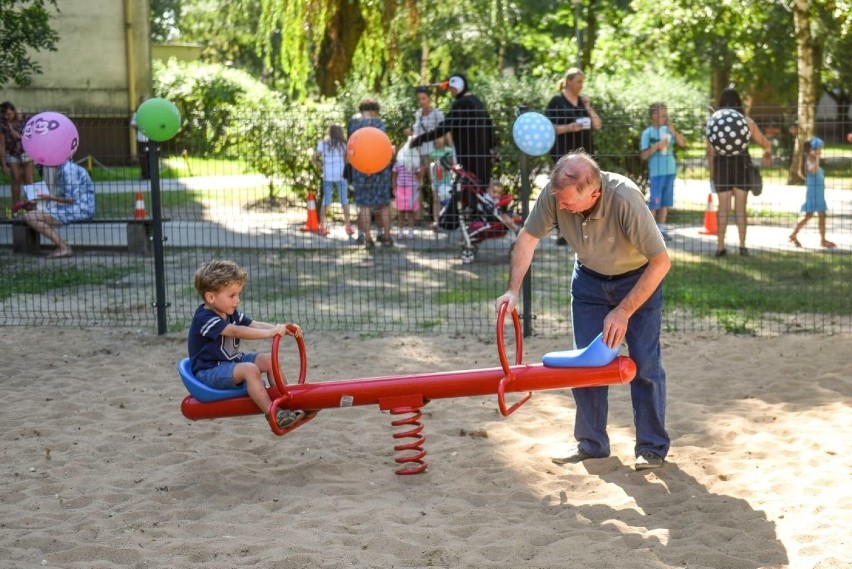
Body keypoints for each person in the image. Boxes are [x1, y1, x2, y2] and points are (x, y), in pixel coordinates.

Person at [495, 151, 671, 471]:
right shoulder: (555, 194)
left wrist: (623, 310)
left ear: (594, 193)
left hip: (637, 281)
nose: (560, 207)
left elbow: (661, 263)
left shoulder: (625, 199)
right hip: (589, 282)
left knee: (645, 364)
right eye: (558, 200)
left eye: (567, 202)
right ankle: (591, 444)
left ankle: (651, 447)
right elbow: (527, 238)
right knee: (585, 365)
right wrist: (513, 290)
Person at [188, 260, 306, 430]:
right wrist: (271, 333)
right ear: (211, 297)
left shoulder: (229, 311)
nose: (238, 300)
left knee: (268, 360)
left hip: (230, 362)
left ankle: (289, 402)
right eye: (232, 295)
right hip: (209, 371)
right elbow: (236, 331)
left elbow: (252, 324)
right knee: (250, 369)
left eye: (238, 294)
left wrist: (280, 328)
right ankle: (274, 414)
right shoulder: (205, 319)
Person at [707, 88, 772, 257]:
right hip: (742, 166)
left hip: (722, 167)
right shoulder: (747, 122)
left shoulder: (714, 122)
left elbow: (710, 152)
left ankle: (720, 247)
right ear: (739, 103)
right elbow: (766, 144)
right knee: (741, 209)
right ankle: (743, 246)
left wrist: (712, 173)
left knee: (723, 209)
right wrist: (767, 153)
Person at [409, 74, 496, 191]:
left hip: (468, 155)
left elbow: (444, 128)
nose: (450, 92)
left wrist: (421, 139)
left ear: (457, 88)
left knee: (469, 189)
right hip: (483, 155)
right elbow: (489, 125)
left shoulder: (460, 104)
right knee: (480, 190)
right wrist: (492, 146)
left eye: (451, 89)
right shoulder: (477, 102)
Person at [544, 68, 602, 245]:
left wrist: (588, 107)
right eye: (578, 81)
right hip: (563, 155)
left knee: (584, 192)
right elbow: (548, 127)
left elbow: (598, 125)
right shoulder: (556, 102)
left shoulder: (582, 102)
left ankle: (583, 229)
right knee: (564, 192)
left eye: (582, 82)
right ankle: (562, 231)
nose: (580, 85)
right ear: (568, 81)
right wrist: (569, 127)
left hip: (584, 156)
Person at [22, 159, 95, 258]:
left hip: (80, 209)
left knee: (30, 217)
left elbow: (71, 199)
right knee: (32, 215)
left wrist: (48, 197)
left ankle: (63, 247)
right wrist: (36, 201)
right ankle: (62, 245)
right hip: (73, 207)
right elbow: (63, 197)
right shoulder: (62, 169)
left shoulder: (67, 170)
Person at [348, 98, 393, 248]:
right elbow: (385, 145)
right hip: (380, 168)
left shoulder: (354, 124)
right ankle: (387, 237)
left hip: (360, 168)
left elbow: (351, 145)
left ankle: (368, 239)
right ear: (375, 110)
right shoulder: (380, 124)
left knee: (365, 205)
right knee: (384, 204)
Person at [640, 102, 685, 241]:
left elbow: (683, 143)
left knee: (666, 201)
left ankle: (662, 228)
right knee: (655, 200)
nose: (665, 118)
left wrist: (674, 130)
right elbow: (644, 155)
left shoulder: (669, 130)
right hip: (656, 172)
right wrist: (657, 146)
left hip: (670, 170)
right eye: (662, 115)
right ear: (653, 116)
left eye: (666, 115)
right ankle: (650, 230)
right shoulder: (647, 133)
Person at [788, 137, 836, 249]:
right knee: (809, 216)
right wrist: (818, 157)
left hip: (819, 194)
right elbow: (813, 170)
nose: (820, 152)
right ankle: (794, 234)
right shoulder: (809, 161)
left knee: (821, 216)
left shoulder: (814, 160)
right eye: (818, 149)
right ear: (811, 150)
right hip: (813, 194)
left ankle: (822, 239)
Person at [407, 86, 445, 220]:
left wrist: (439, 139)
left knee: (435, 187)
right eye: (419, 99)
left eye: (424, 98)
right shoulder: (418, 114)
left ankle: (437, 219)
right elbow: (418, 133)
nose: (421, 101)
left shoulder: (437, 114)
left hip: (434, 154)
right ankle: (418, 217)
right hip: (419, 153)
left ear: (429, 98)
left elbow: (443, 134)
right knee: (417, 185)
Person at [311, 124, 353, 237]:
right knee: (344, 200)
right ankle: (348, 226)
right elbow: (347, 160)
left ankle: (323, 227)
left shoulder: (323, 143)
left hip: (328, 174)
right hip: (340, 174)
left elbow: (314, 157)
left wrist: (320, 165)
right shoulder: (344, 144)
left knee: (326, 200)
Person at [0, 101, 35, 206]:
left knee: (28, 178)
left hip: (26, 152)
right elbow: (2, 145)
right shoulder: (2, 123)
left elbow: (29, 138)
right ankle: (16, 207)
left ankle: (31, 205)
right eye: (4, 115)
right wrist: (3, 165)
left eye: (8, 114)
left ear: (14, 111)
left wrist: (15, 133)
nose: (6, 117)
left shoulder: (24, 119)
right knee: (16, 179)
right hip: (12, 153)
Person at [392, 140, 422, 240]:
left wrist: (394, 187)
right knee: (410, 213)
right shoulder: (415, 164)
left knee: (402, 212)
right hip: (410, 189)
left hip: (403, 189)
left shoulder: (399, 163)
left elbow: (394, 176)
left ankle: (402, 232)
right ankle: (408, 232)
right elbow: (419, 176)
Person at [428, 134, 456, 227]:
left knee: (448, 200)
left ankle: (446, 220)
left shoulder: (449, 151)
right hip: (436, 181)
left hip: (447, 180)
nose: (438, 139)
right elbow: (430, 167)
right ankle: (436, 220)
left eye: (440, 137)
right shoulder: (432, 152)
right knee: (436, 200)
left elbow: (452, 164)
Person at [129, 96, 150, 180]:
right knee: (143, 157)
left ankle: (152, 175)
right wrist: (141, 124)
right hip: (141, 139)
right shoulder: (138, 113)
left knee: (151, 157)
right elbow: (132, 123)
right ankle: (144, 174)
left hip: (152, 139)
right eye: (143, 102)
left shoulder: (153, 112)